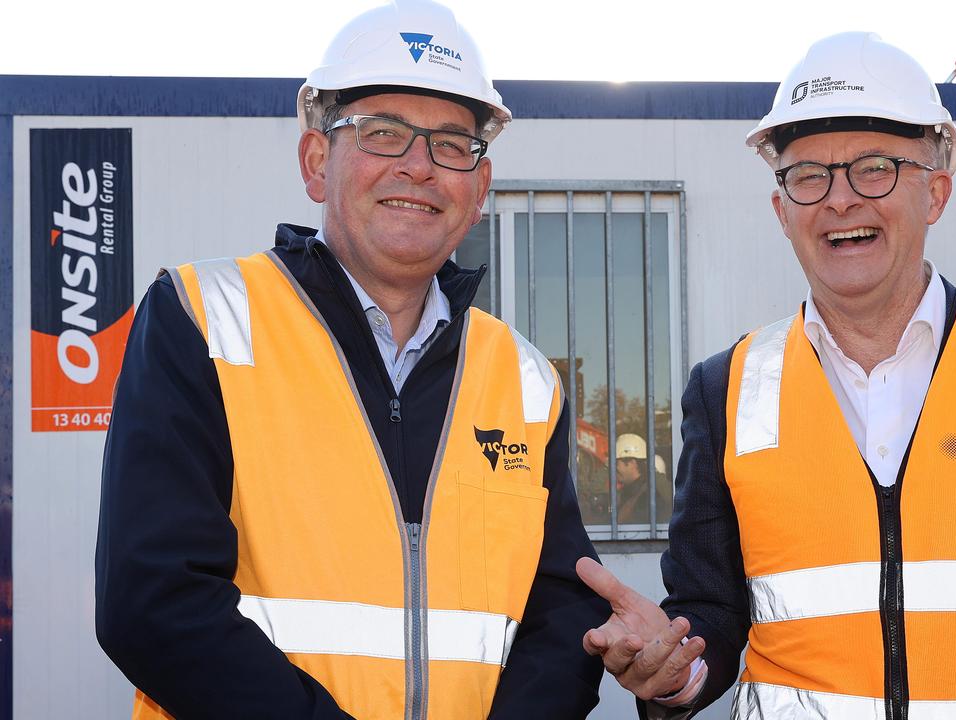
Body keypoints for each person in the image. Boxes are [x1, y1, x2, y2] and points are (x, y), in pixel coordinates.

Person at [577, 32, 956, 720]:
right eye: (808, 175)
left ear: (934, 193)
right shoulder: (726, 388)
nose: (840, 200)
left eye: (874, 168)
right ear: (781, 210)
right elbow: (708, 612)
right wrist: (672, 671)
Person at [94, 1, 607, 717]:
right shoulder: (202, 318)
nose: (420, 167)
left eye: (453, 144)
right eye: (383, 133)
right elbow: (153, 601)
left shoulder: (524, 380)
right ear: (316, 161)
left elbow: (559, 614)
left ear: (480, 190)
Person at [615, 433, 673, 525]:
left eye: (616, 463)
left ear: (632, 463)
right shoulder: (633, 490)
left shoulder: (651, 494)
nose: (614, 469)